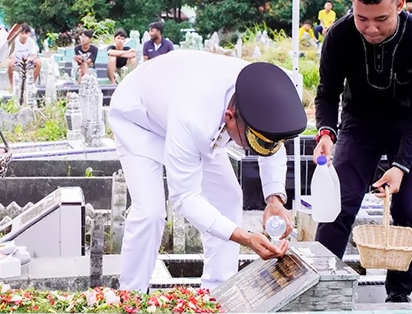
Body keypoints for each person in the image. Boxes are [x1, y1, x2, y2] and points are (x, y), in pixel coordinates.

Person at [108, 50, 307, 292]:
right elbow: (185, 198)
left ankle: (219, 292)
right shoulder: (194, 120)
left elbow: (273, 141)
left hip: (178, 101)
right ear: (230, 117)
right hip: (140, 120)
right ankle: (131, 295)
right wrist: (245, 238)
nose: (253, 150)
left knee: (229, 196)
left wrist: (275, 199)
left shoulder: (261, 90)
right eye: (251, 143)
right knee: (150, 212)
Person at [313, 0, 412, 303]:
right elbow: (327, 92)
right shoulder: (339, 36)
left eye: (381, 19)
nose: (370, 29)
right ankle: (320, 289)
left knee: (410, 210)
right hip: (360, 125)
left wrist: (400, 165)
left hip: (408, 126)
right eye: (362, 18)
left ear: (400, 6)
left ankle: (398, 296)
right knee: (336, 207)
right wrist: (326, 132)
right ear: (352, 6)